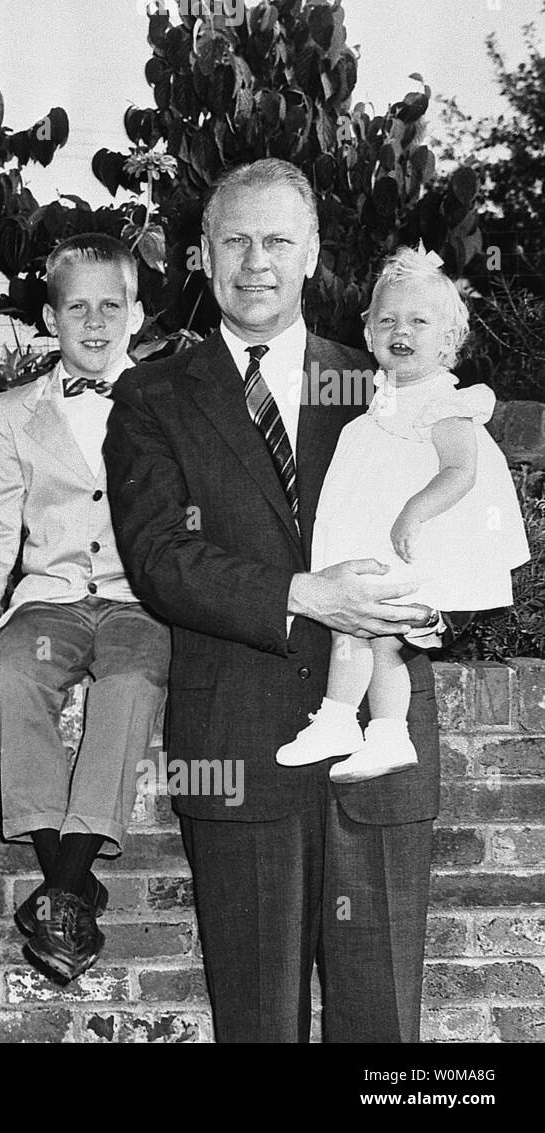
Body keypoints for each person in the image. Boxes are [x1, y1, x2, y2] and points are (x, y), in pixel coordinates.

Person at [104, 159, 440, 1043]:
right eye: (237, 240)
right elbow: (159, 558)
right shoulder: (150, 396)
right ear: (203, 255)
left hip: (379, 741)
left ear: (314, 254)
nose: (257, 261)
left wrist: (434, 601)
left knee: (385, 1040)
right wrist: (308, 595)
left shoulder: (380, 383)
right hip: (239, 749)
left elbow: (444, 522)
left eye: (279, 240)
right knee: (256, 1027)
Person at [0, 234, 170, 983]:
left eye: (112, 305)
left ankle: (64, 887)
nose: (96, 321)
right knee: (9, 680)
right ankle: (72, 884)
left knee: (132, 686)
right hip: (53, 601)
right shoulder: (14, 411)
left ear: (136, 314)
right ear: (51, 318)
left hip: (141, 601)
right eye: (78, 306)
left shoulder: (171, 400)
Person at [278, 248, 528, 782]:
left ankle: (377, 728)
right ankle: (352, 723)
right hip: (373, 545)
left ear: (448, 341)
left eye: (419, 321)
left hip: (420, 545)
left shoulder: (445, 402)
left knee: (383, 636)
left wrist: (413, 513)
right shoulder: (377, 398)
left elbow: (462, 470)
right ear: (369, 336)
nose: (402, 330)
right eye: (388, 320)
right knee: (357, 629)